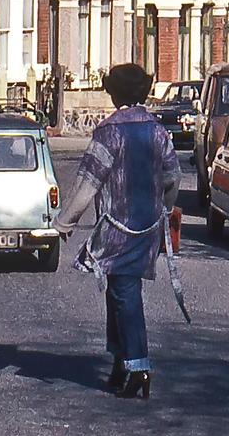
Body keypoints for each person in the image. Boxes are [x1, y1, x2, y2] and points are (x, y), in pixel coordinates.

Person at [55, 62, 181, 400]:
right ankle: (120, 359)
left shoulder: (109, 132)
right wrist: (165, 208)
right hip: (149, 225)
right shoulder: (156, 130)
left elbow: (88, 182)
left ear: (115, 94)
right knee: (118, 290)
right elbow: (173, 177)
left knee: (125, 293)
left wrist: (65, 222)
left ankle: (138, 366)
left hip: (117, 225)